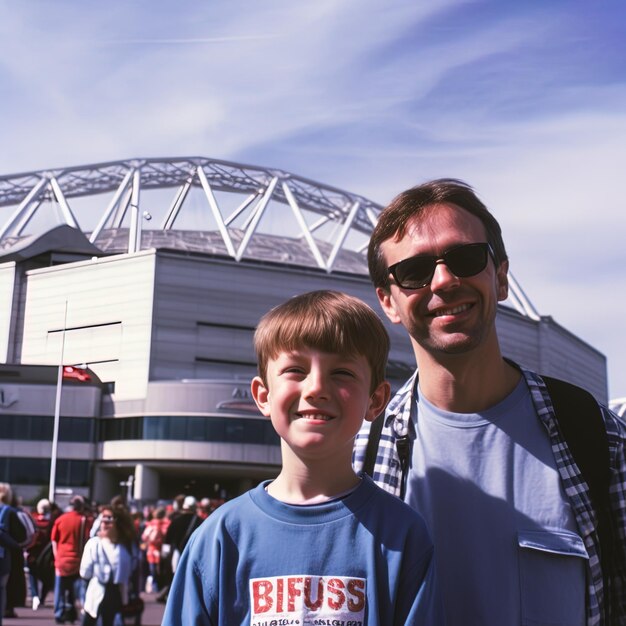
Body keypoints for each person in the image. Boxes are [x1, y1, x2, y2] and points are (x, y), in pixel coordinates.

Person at [352, 178, 626, 625]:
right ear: (389, 302)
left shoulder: (599, 439)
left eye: (465, 258)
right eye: (414, 272)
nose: (444, 280)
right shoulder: (358, 456)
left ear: (500, 277)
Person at [162, 290, 443, 625]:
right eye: (295, 370)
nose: (316, 388)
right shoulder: (220, 538)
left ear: (376, 399)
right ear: (263, 396)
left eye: (342, 373)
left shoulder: (402, 535)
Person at [79, 506, 133, 626]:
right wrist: (125, 601)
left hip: (96, 590)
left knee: (89, 621)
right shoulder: (124, 549)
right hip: (115, 594)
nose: (104, 523)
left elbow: (85, 572)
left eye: (108, 520)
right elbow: (125, 579)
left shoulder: (94, 544)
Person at [51, 495, 91, 624]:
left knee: (59, 590)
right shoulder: (84, 520)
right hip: (78, 559)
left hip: (62, 558)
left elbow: (54, 540)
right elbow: (87, 539)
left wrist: (57, 556)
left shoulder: (60, 520)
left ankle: (59, 612)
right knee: (80, 590)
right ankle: (82, 611)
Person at [0, 483, 27, 626]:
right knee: (2, 588)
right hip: (3, 556)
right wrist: (16, 546)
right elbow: (21, 535)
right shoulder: (10, 512)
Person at [27, 498, 54, 610]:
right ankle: (42, 598)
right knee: (47, 577)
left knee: (32, 575)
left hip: (33, 552)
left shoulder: (32, 519)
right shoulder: (52, 521)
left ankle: (35, 595)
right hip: (46, 555)